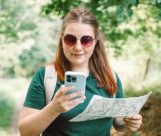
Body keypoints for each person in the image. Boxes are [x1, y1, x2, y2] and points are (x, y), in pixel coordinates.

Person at [18, 8, 142, 136]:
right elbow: (25, 131)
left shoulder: (110, 76)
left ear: (95, 42)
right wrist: (54, 108)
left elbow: (118, 122)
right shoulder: (46, 76)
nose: (77, 47)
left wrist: (129, 121)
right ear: (62, 40)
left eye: (86, 40)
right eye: (70, 39)